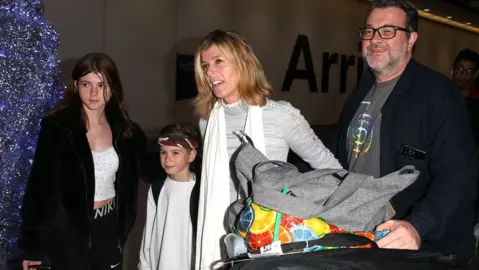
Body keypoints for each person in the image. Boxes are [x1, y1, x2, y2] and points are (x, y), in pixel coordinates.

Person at [328, 0, 478, 261]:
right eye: (369, 31)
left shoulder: (438, 93)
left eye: (388, 31)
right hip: (357, 227)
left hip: (412, 240)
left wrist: (417, 225)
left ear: (411, 40)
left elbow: (458, 176)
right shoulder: (364, 85)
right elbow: (339, 150)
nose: (375, 39)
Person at [193, 29, 342, 269]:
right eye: (205, 65)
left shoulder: (280, 115)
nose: (210, 72)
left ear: (243, 63)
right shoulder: (207, 123)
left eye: (218, 61)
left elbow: (330, 168)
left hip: (270, 238)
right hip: (219, 237)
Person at [20, 53, 147, 270]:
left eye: (102, 84)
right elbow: (39, 188)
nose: (94, 92)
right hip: (67, 231)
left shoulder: (127, 131)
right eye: (87, 84)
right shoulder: (57, 127)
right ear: (76, 85)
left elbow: (149, 167)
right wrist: (33, 247)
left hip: (110, 227)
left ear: (113, 87)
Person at [138, 122, 201, 270]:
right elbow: (149, 232)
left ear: (191, 155)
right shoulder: (157, 188)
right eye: (163, 152)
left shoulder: (201, 189)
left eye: (175, 152)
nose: (167, 159)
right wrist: (144, 265)